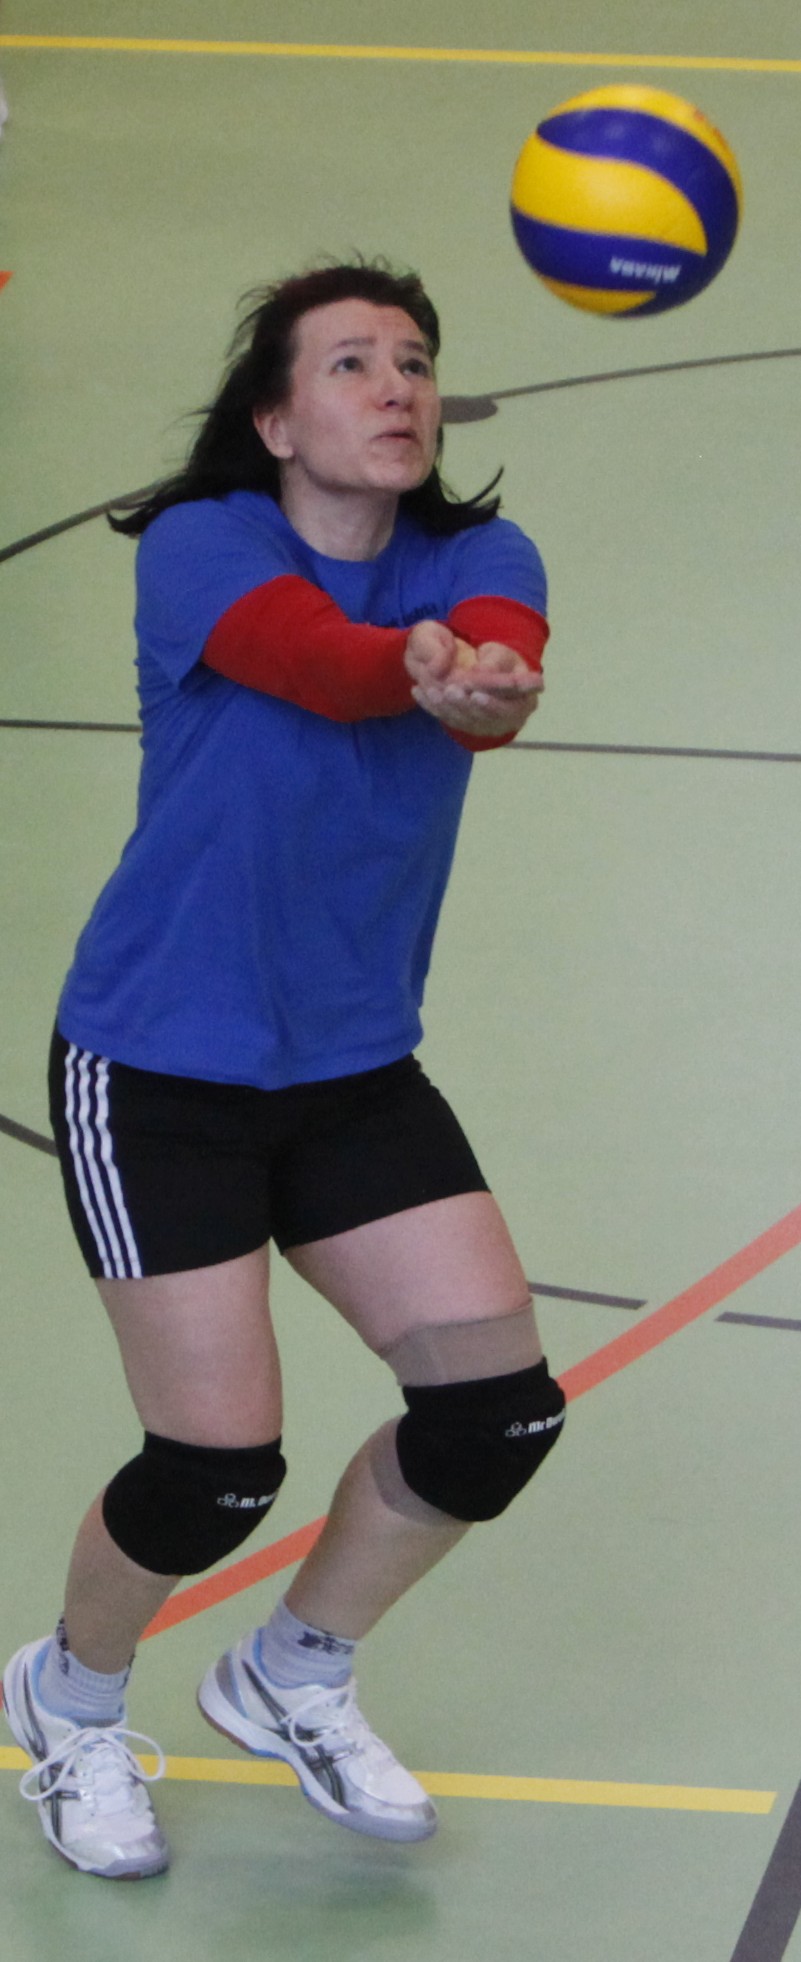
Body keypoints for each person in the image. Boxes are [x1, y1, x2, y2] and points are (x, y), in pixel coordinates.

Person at [3, 259, 566, 1879]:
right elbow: (319, 663)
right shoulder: (201, 546)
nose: (396, 387)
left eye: (415, 361)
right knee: (214, 1467)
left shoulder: (480, 556)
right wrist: (425, 670)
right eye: (350, 364)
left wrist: (486, 684)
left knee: (497, 1418)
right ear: (273, 418)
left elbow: (495, 678)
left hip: (350, 1067)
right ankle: (72, 1695)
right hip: (159, 1066)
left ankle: (292, 1668)